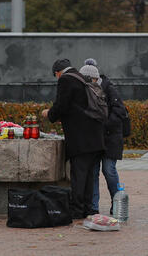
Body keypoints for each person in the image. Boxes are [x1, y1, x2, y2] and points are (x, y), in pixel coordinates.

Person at [41, 58, 104, 219]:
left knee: (79, 175)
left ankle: (77, 210)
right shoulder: (81, 77)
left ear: (57, 73)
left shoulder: (66, 80)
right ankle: (89, 209)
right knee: (89, 176)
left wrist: (50, 114)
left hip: (81, 138)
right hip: (95, 136)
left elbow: (62, 105)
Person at [83, 58, 131, 215]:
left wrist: (104, 125)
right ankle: (94, 207)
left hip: (111, 138)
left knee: (109, 170)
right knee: (95, 171)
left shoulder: (109, 88)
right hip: (96, 138)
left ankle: (116, 201)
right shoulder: (86, 89)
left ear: (96, 77)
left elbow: (120, 112)